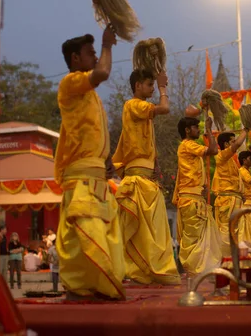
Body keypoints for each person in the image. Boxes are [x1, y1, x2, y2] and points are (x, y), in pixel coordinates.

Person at [54, 27, 126, 301]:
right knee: (85, 233)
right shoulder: (71, 82)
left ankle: (96, 288)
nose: (96, 57)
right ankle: (80, 289)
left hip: (97, 175)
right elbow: (103, 73)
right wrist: (108, 45)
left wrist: (107, 161)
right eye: (91, 53)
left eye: (97, 52)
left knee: (103, 234)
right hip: (82, 176)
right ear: (75, 59)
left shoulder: (92, 96)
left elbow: (96, 131)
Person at [112, 69, 180, 285]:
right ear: (138, 85)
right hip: (138, 181)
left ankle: (151, 273)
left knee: (156, 232)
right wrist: (162, 87)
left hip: (147, 181)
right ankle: (140, 273)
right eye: (149, 85)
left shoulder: (142, 113)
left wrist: (156, 167)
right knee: (143, 233)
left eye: (153, 85)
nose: (151, 89)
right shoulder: (133, 105)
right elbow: (165, 108)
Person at [172, 116, 222, 276]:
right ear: (187, 130)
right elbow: (213, 150)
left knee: (202, 238)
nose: (198, 130)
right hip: (190, 200)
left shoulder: (190, 146)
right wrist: (209, 131)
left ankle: (201, 272)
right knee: (193, 239)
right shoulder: (188, 145)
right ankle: (194, 272)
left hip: (196, 199)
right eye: (196, 127)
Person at [212, 129, 248, 257]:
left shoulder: (232, 161)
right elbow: (237, 145)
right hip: (227, 201)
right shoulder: (222, 157)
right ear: (226, 145)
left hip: (235, 201)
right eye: (232, 141)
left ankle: (234, 261)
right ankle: (226, 261)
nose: (235, 143)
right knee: (227, 231)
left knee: (235, 232)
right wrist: (246, 130)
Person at [238, 151, 251, 246]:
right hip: (246, 206)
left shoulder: (247, 171)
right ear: (244, 160)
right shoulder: (242, 171)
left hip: (250, 205)